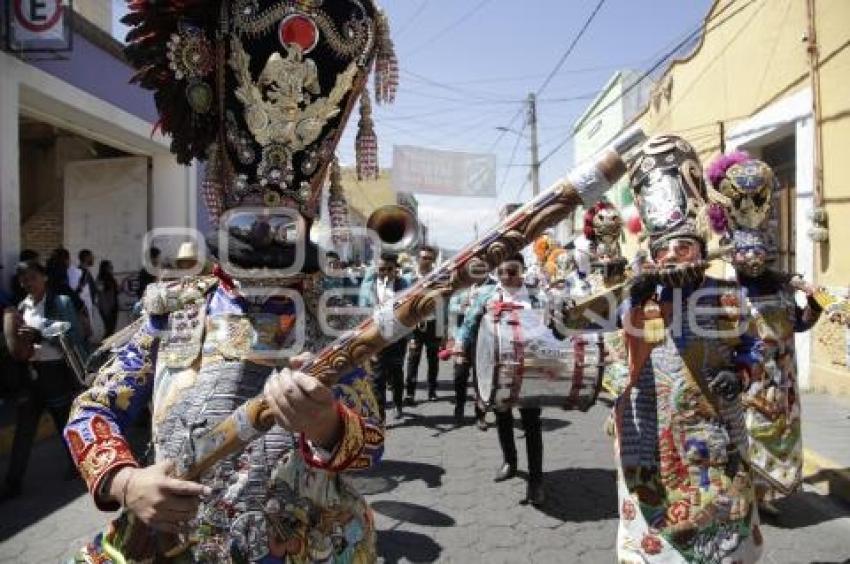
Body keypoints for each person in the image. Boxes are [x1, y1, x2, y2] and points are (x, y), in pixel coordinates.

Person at [62, 1, 397, 560]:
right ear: (222, 206)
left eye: (281, 219)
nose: (265, 228)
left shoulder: (334, 318)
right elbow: (93, 411)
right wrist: (126, 483)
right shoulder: (174, 309)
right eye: (250, 214)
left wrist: (329, 425)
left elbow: (372, 444)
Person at [611, 135, 763, 562]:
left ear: (700, 249)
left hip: (716, 430)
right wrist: (632, 302)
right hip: (654, 433)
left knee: (724, 540)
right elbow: (611, 362)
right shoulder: (635, 300)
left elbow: (753, 348)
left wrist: (740, 373)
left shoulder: (728, 295)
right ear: (653, 256)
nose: (676, 255)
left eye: (685, 246)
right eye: (666, 249)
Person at [708, 153, 823, 516]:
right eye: (746, 258)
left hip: (782, 381)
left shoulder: (783, 291)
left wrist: (816, 305)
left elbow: (798, 324)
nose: (755, 263)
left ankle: (766, 495)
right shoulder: (727, 294)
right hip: (748, 380)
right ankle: (746, 494)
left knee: (777, 432)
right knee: (744, 433)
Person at [456, 254, 548, 506]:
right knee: (503, 417)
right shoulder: (487, 295)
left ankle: (536, 480)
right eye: (503, 272)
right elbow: (469, 323)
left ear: (523, 271)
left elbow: (554, 327)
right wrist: (461, 348)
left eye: (512, 271)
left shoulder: (538, 296)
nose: (507, 277)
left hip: (530, 367)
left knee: (531, 423)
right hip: (497, 368)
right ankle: (510, 461)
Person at [1, 260, 86, 502]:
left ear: (44, 277)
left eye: (32, 277)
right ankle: (12, 483)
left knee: (64, 425)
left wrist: (41, 334)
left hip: (55, 373)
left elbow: (73, 333)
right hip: (31, 374)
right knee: (24, 430)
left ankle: (79, 465)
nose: (28, 283)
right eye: (23, 279)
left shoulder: (61, 302)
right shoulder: (22, 306)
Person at [359, 253, 410, 420]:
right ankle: (380, 416)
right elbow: (362, 313)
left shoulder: (404, 284)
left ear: (396, 269)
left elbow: (410, 311)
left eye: (390, 269)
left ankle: (397, 403)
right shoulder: (368, 286)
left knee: (396, 372)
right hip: (376, 336)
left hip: (397, 336)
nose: (386, 273)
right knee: (377, 378)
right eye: (382, 269)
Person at [404, 245, 442, 404]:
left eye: (428, 258)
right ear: (417, 258)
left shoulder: (438, 278)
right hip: (415, 326)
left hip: (433, 325)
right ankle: (410, 393)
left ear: (433, 260)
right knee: (413, 359)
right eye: (423, 257)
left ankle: (432, 390)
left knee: (433, 360)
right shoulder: (408, 279)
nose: (425, 261)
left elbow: (442, 304)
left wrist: (443, 330)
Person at [96, 260, 119, 338]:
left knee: (111, 329)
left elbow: (115, 291)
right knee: (109, 329)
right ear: (105, 268)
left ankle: (108, 347)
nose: (111, 268)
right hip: (106, 308)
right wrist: (106, 309)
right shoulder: (101, 279)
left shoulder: (111, 278)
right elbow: (101, 294)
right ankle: (104, 348)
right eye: (110, 267)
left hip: (113, 306)